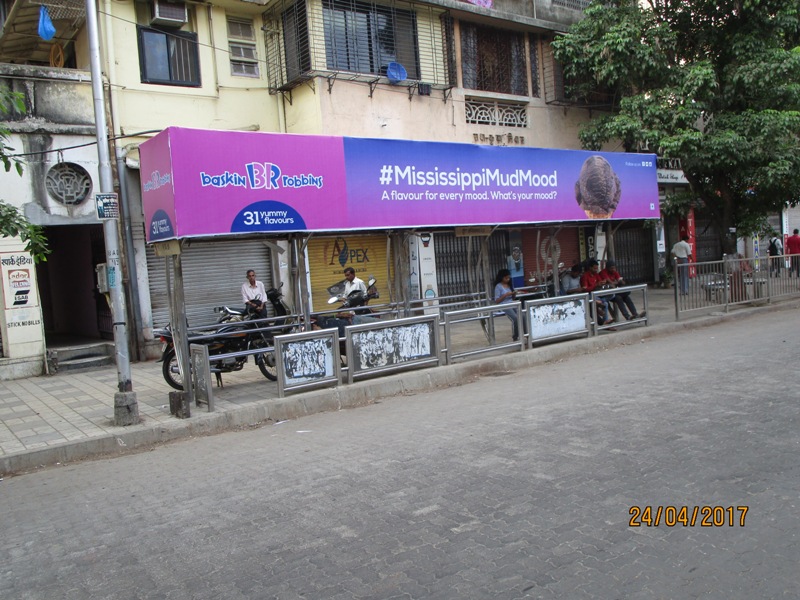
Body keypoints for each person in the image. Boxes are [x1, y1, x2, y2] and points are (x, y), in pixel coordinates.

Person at [580, 259, 614, 325]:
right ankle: (605, 321)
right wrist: (595, 285)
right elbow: (585, 289)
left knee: (612, 295)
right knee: (604, 303)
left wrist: (603, 282)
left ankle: (599, 302)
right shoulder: (585, 276)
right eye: (594, 268)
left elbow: (600, 282)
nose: (596, 270)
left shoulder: (596, 274)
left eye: (597, 268)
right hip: (589, 295)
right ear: (590, 268)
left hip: (597, 294)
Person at [493, 268, 520, 341]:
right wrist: (505, 295)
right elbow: (497, 300)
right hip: (504, 304)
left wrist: (514, 294)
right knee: (515, 318)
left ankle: (525, 333)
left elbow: (513, 298)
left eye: (508, 278)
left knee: (522, 316)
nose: (508, 279)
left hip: (511, 303)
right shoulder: (498, 286)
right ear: (502, 277)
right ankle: (515, 336)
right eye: (506, 278)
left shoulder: (509, 285)